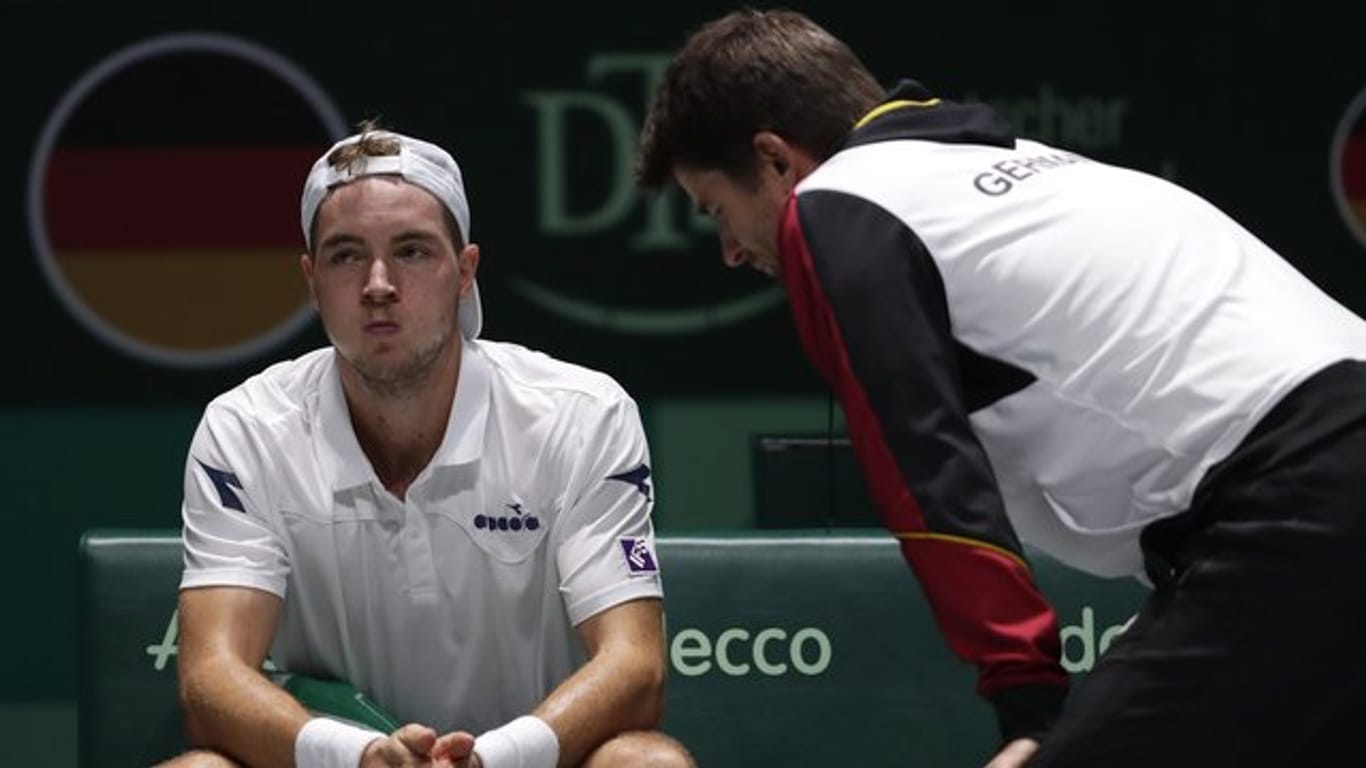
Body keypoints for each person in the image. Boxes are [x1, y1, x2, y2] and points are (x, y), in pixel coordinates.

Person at [636, 9, 1366, 768]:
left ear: (777, 161)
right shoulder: (1011, 168)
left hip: (1300, 490)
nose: (728, 250)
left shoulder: (837, 211)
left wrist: (1031, 701)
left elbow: (924, 471)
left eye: (718, 209)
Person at [163, 123, 694, 768]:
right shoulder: (245, 428)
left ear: (465, 272)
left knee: (646, 762)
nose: (378, 283)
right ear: (312, 279)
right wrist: (357, 756)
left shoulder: (582, 415)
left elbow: (636, 664)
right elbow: (210, 678)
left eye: (412, 252)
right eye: (346, 255)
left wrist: (487, 759)